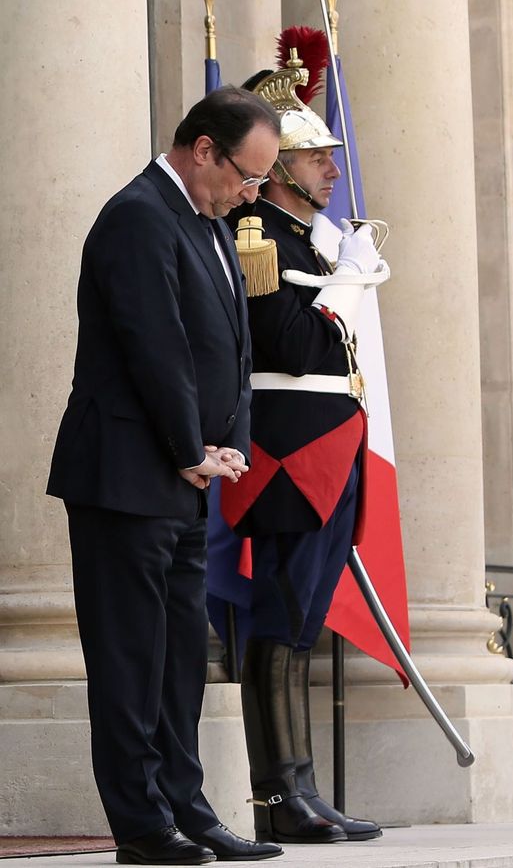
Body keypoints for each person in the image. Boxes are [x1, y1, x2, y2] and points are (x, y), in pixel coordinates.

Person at [47, 86, 283, 866]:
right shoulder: (139, 214)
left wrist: (231, 447)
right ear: (204, 149)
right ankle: (141, 823)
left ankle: (189, 805)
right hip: (126, 476)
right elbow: (157, 345)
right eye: (245, 176)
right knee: (131, 658)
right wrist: (191, 447)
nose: (251, 194)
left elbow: (234, 352)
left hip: (189, 478)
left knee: (182, 655)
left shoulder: (208, 221)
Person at [221, 49, 389, 845]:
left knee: (304, 624)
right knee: (279, 622)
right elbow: (288, 344)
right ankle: (278, 795)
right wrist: (349, 283)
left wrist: (340, 269)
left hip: (326, 447)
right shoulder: (260, 233)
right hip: (289, 455)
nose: (331, 169)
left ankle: (307, 789)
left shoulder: (310, 240)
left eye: (327, 155)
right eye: (317, 157)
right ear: (278, 166)